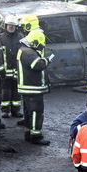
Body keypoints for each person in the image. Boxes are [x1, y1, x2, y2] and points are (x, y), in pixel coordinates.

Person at [16, 16, 53, 145]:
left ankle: (28, 133)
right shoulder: (29, 52)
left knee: (28, 112)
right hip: (33, 87)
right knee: (36, 112)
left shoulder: (24, 49)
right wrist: (47, 60)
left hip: (27, 87)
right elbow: (38, 65)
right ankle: (36, 136)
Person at [0, 15, 23, 118]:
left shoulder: (21, 37)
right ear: (5, 25)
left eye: (13, 25)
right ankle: (5, 110)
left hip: (18, 70)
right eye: (9, 25)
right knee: (5, 91)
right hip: (6, 71)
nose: (11, 27)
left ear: (16, 26)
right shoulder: (1, 38)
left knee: (17, 92)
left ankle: (16, 110)